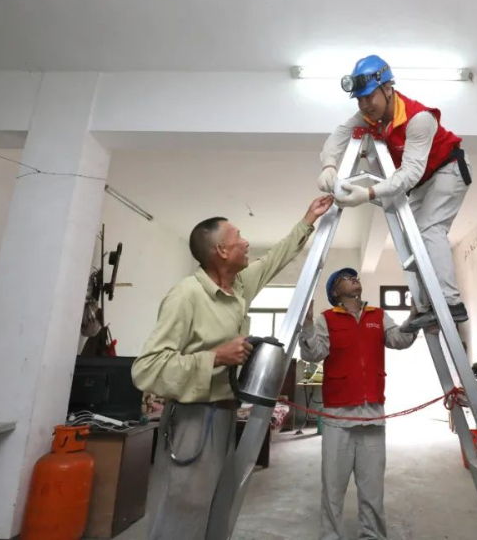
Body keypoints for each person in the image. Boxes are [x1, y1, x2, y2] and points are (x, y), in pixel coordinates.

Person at [132, 195, 334, 540]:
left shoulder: (237, 287)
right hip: (193, 418)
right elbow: (146, 369)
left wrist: (308, 219)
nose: (246, 242)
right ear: (221, 251)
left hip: (225, 414)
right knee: (184, 510)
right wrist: (216, 356)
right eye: (238, 236)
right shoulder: (186, 296)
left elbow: (274, 259)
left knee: (215, 507)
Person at [316, 55, 471, 334]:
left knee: (429, 230)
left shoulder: (418, 119)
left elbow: (409, 173)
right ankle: (426, 306)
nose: (364, 105)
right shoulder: (368, 116)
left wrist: (368, 193)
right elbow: (338, 136)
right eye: (359, 99)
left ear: (388, 88)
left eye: (369, 97)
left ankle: (450, 303)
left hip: (449, 169)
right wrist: (329, 165)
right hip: (424, 180)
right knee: (414, 240)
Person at [299, 267, 417, 540]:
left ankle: (372, 535)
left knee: (372, 489)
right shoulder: (327, 318)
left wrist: (413, 317)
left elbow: (399, 339)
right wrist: (307, 325)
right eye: (345, 278)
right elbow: (314, 353)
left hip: (372, 413)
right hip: (338, 416)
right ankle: (330, 536)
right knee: (333, 488)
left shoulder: (378, 315)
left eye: (355, 276)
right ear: (335, 291)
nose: (354, 278)